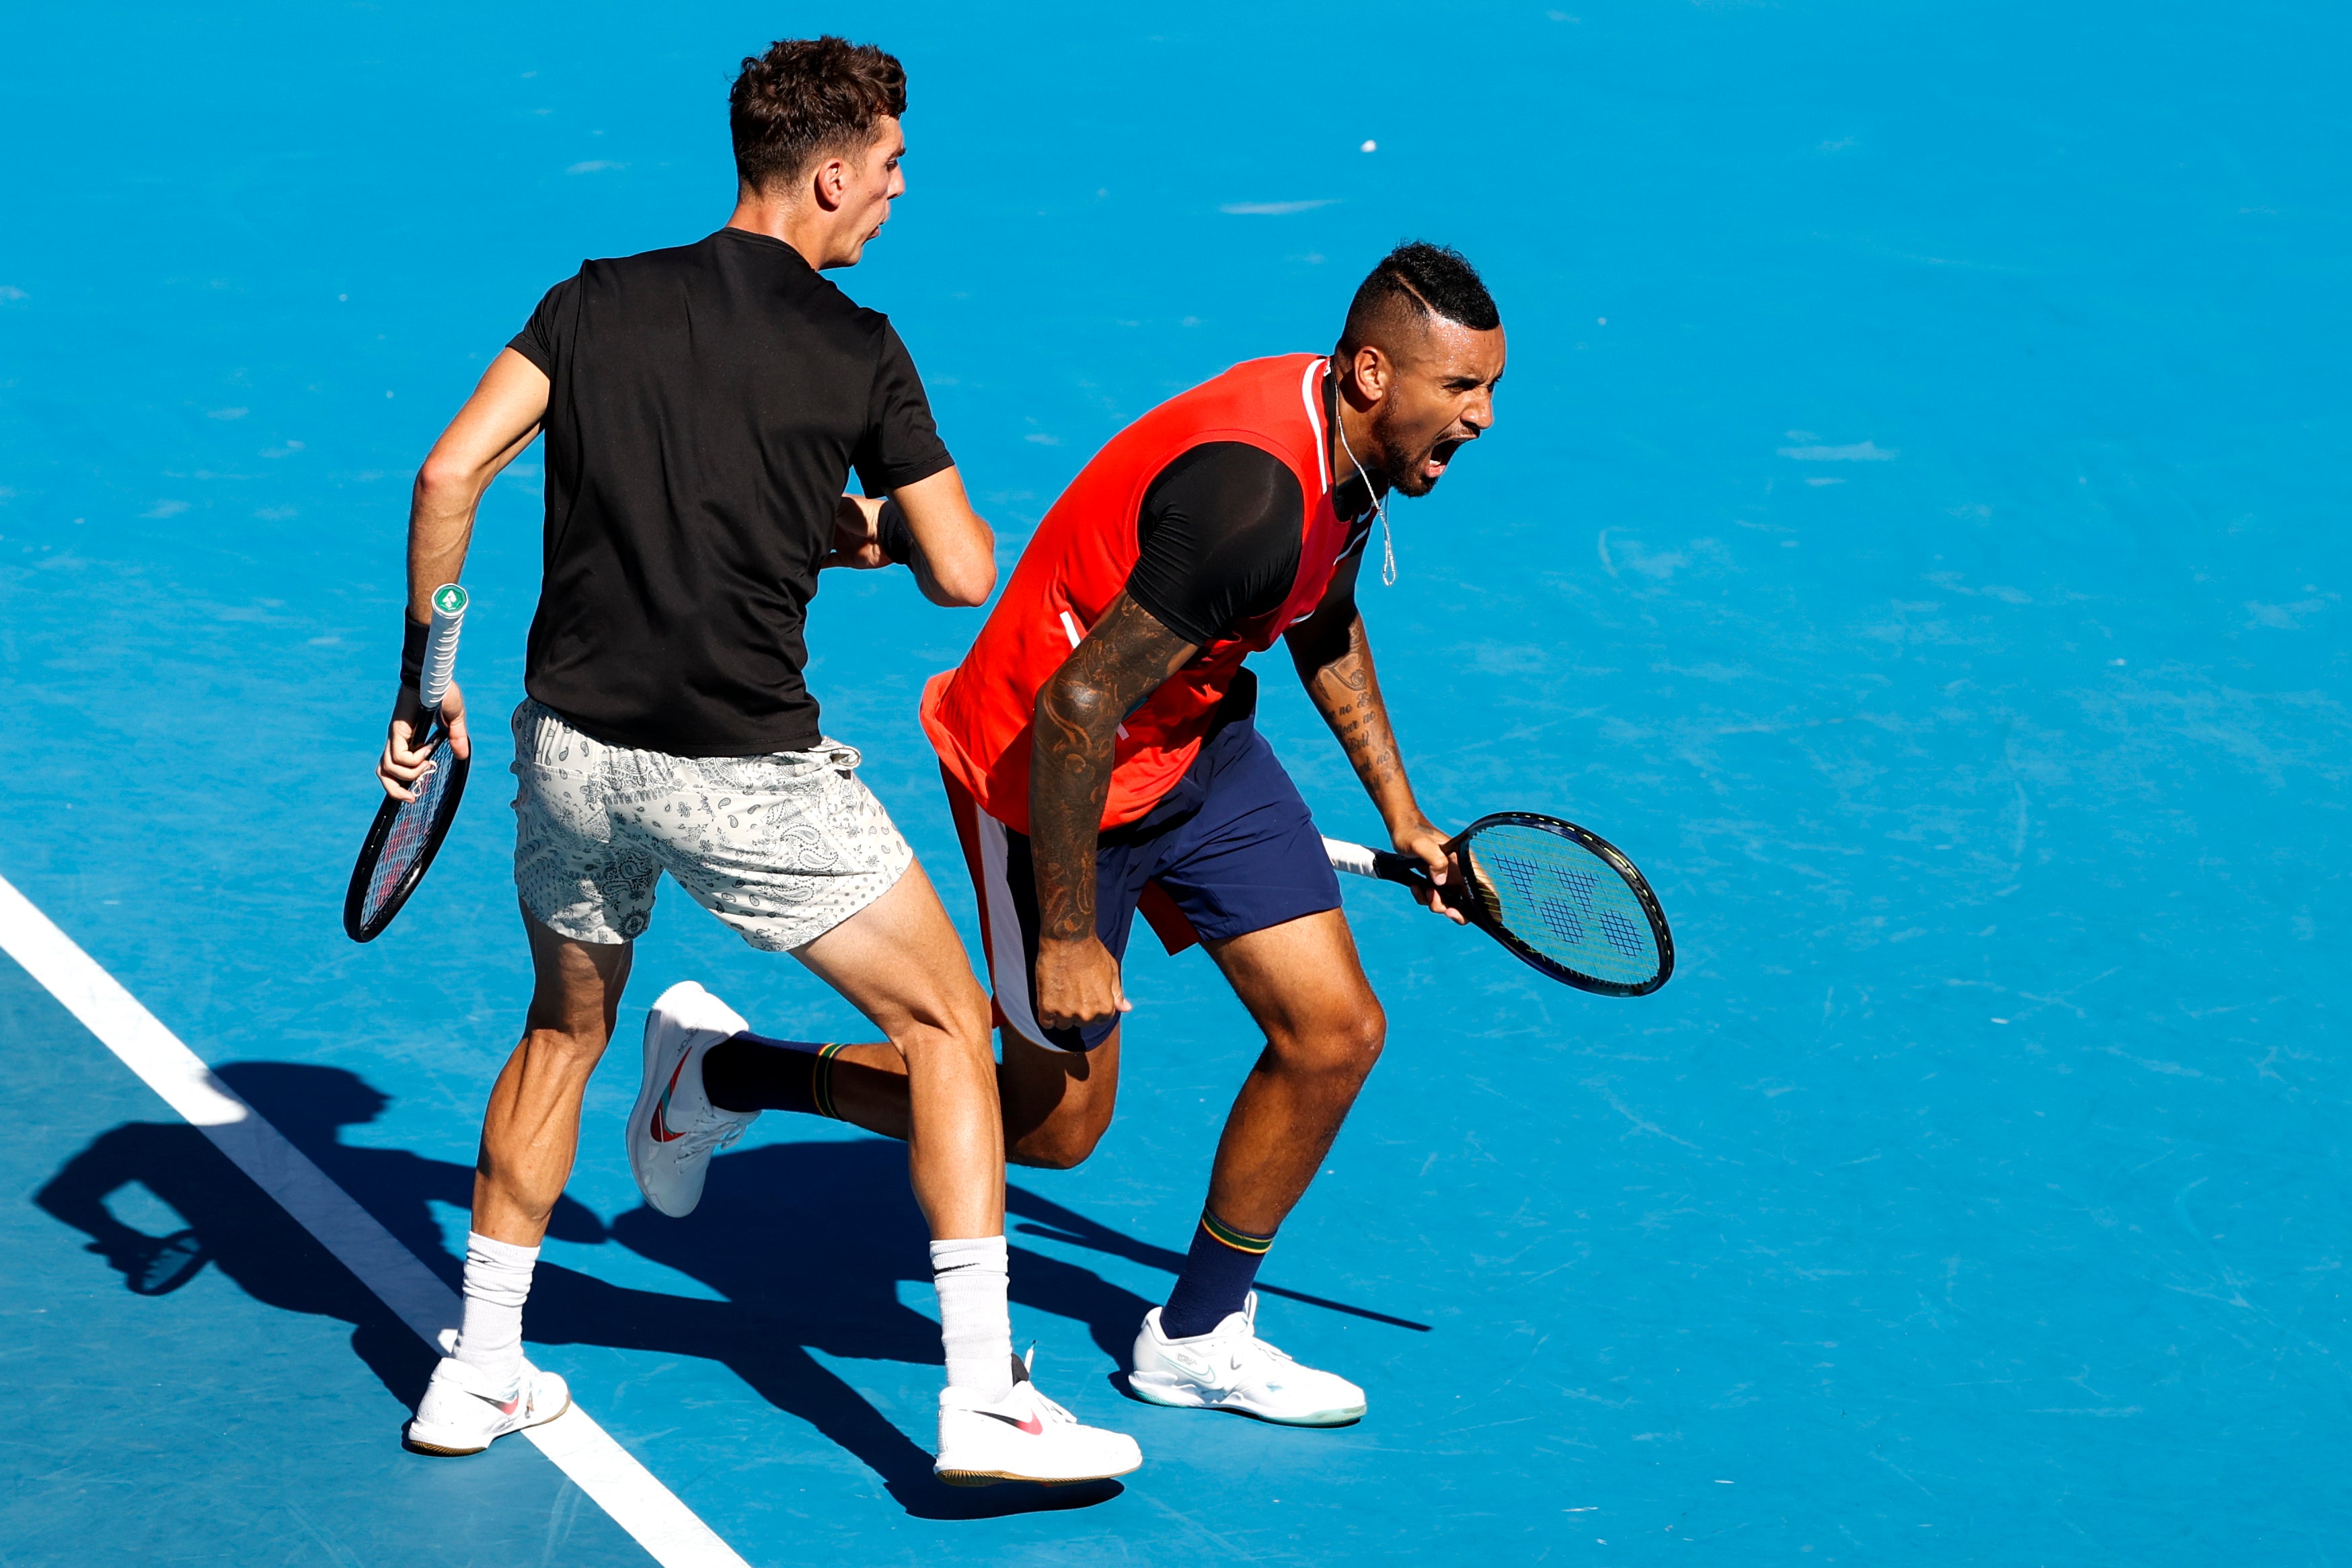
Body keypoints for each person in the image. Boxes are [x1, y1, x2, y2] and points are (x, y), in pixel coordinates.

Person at [375, 35, 1139, 1487]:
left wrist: (427, 683)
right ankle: (982, 1395)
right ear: (832, 172)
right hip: (744, 779)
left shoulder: (590, 301)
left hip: (573, 758)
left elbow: (447, 473)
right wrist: (849, 516)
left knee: (559, 1029)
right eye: (894, 170)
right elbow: (964, 570)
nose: (899, 198)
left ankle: (477, 1368)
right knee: (947, 1027)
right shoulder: (860, 350)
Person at [675, 241, 1507, 1425]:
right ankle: (725, 1069)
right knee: (1051, 1129)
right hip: (1047, 775)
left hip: (1193, 744)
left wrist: (1405, 819)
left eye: (1488, 392)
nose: (1477, 420)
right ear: (1373, 372)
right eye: (1459, 393)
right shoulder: (1254, 499)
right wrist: (1068, 935)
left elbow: (1321, 614)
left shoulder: (1351, 452)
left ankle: (1200, 1332)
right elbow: (1073, 712)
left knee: (1334, 1033)